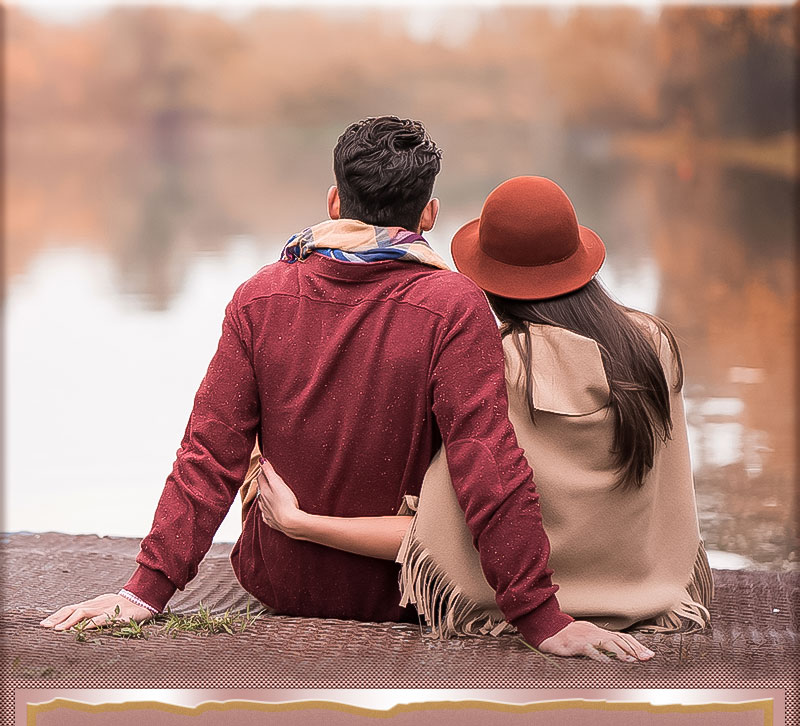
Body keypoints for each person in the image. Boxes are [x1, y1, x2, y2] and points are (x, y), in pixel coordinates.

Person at [40, 118, 653, 662]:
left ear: (334, 202)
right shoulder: (454, 304)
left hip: (279, 581)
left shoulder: (260, 295)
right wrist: (541, 618)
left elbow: (209, 453)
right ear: (430, 214)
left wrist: (143, 592)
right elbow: (486, 461)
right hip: (403, 594)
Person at [254, 176, 712, 639]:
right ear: (579, 257)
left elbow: (432, 538)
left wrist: (301, 524)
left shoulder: (494, 363)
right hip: (647, 591)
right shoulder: (653, 346)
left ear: (486, 277)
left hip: (515, 597)